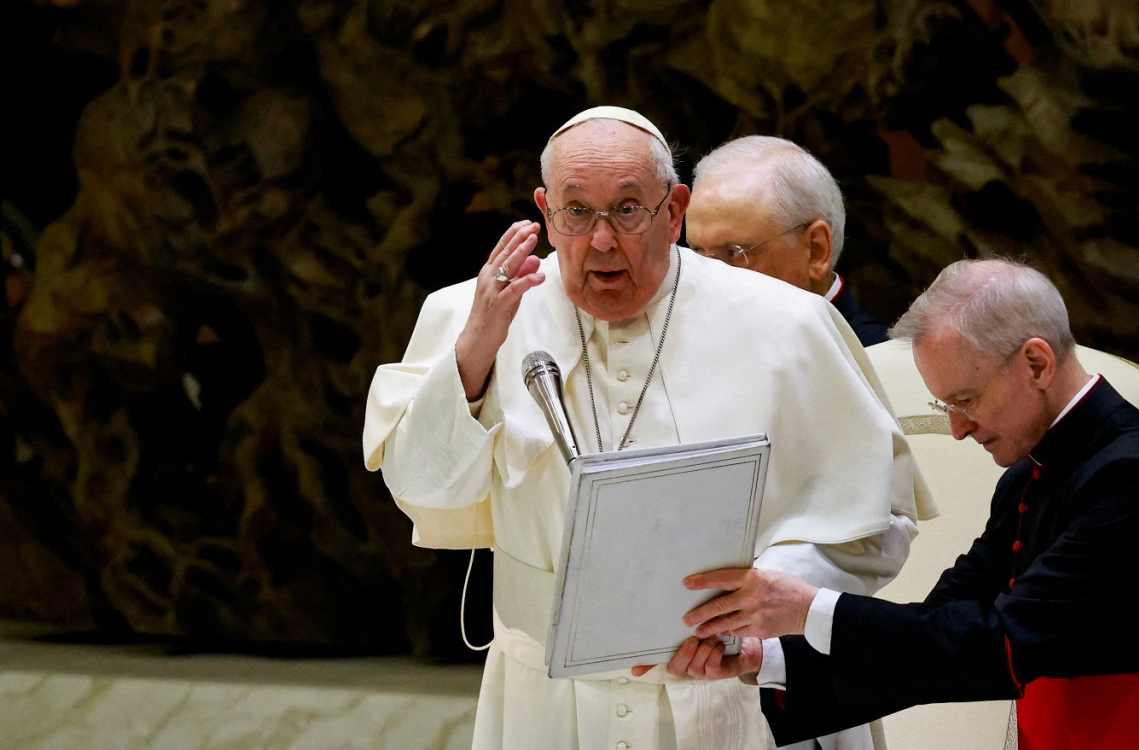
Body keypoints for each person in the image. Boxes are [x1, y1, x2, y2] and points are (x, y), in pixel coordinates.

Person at [362, 106, 931, 750]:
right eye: (577, 212)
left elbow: (877, 516)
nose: (602, 240)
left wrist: (760, 609)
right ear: (546, 211)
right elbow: (425, 493)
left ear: (675, 209)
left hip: (738, 695)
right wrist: (471, 357)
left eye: (627, 209)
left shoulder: (787, 325)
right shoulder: (474, 314)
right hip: (548, 704)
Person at [665, 258, 1139, 750]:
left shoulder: (1133, 476)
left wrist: (809, 608)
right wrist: (769, 661)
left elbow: (1003, 644)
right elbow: (938, 632)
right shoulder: (1033, 470)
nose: (957, 429)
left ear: (1036, 363)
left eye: (966, 399)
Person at [684, 135, 887, 347]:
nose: (707, 281)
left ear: (816, 250)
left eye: (734, 252)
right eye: (697, 253)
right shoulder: (695, 343)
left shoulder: (878, 364)